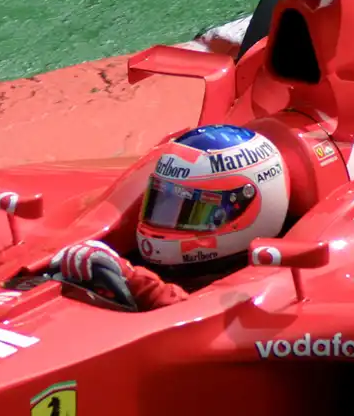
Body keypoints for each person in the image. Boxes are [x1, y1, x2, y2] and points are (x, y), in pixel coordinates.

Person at [52, 124, 292, 311]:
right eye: (163, 204)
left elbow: (210, 326)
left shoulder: (279, 290)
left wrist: (143, 288)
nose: (165, 223)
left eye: (195, 211)